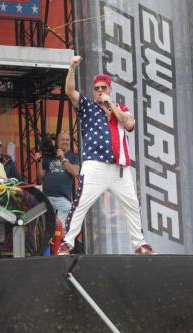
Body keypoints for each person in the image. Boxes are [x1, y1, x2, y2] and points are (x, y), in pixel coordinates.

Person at [57, 55, 154, 255]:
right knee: (81, 203)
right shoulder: (87, 106)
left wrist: (111, 105)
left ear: (110, 90)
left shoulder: (121, 109)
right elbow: (69, 91)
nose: (100, 91)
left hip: (120, 167)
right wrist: (71, 68)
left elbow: (128, 124)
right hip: (95, 164)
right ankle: (67, 242)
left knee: (132, 204)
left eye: (104, 88)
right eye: (97, 89)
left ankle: (140, 244)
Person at [35, 131, 80, 231]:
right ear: (57, 142)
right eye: (62, 140)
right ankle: (49, 247)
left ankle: (59, 246)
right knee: (46, 229)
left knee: (60, 230)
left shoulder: (73, 156)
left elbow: (75, 172)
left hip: (63, 199)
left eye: (67, 140)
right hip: (47, 198)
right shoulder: (50, 156)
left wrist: (63, 158)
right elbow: (41, 177)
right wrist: (39, 162)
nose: (65, 142)